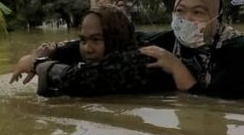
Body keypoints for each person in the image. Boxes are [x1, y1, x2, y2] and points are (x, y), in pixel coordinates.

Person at [139, 0, 244, 99]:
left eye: (197, 12)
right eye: (180, 11)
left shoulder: (240, 51)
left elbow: (214, 105)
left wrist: (177, 68)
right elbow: (130, 38)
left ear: (217, 18)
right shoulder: (171, 41)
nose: (187, 19)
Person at [10, 5, 173, 97]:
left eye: (96, 39)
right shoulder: (123, 45)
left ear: (116, 38)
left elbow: (78, 79)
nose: (87, 48)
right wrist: (49, 52)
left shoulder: (138, 62)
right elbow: (76, 49)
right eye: (83, 40)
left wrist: (37, 63)